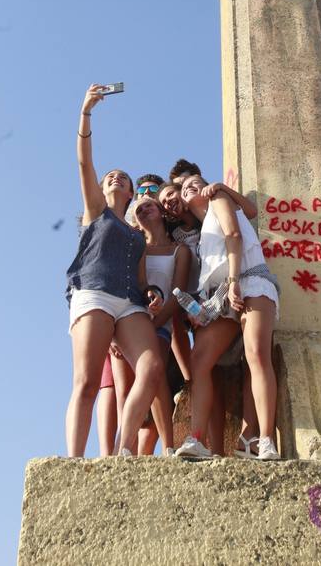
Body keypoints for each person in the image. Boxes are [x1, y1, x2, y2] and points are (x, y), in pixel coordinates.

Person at [65, 84, 163, 457]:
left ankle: (123, 449)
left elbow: (140, 280)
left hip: (129, 301)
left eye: (123, 177)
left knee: (151, 368)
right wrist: (86, 113)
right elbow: (84, 163)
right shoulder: (96, 212)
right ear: (103, 189)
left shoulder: (136, 236)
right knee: (87, 382)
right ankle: (73, 459)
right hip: (93, 292)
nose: (117, 178)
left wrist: (151, 293)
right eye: (111, 177)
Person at [174, 174, 280, 461]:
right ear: (182, 204)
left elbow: (234, 235)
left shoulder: (217, 199)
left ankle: (264, 439)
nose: (190, 187)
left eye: (196, 181)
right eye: (184, 188)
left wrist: (234, 280)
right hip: (219, 295)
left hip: (249, 280)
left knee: (257, 354)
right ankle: (197, 439)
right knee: (200, 361)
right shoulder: (199, 234)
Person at [130, 194, 191, 454]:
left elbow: (178, 294)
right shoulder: (135, 249)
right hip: (131, 321)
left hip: (161, 322)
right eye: (138, 209)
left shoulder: (181, 251)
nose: (144, 210)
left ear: (161, 211)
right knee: (136, 384)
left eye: (149, 205)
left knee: (156, 379)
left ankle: (167, 445)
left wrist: (156, 323)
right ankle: (127, 449)